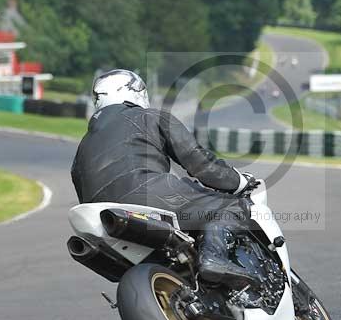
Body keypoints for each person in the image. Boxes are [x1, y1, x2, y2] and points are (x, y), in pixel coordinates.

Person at [71, 69, 260, 288]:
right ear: (135, 92)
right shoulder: (149, 116)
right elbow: (200, 163)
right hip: (146, 194)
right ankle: (214, 258)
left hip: (101, 220)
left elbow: (81, 187)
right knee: (233, 206)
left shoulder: (82, 147)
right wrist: (237, 181)